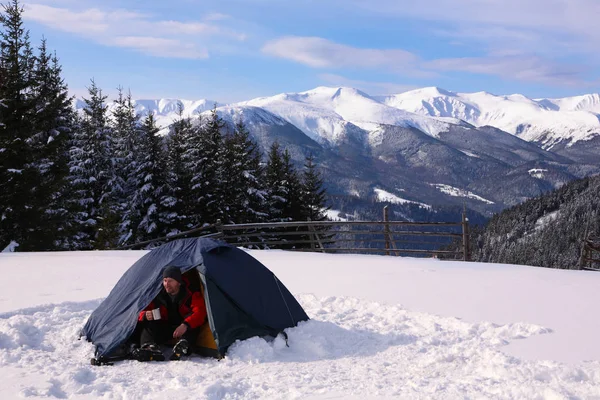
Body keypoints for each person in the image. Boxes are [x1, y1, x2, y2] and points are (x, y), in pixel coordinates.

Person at [132, 266, 207, 361]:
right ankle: (150, 347)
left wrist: (185, 325)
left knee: (193, 324)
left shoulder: (191, 292)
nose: (167, 284)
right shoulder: (158, 293)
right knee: (148, 324)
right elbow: (139, 311)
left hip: (183, 327)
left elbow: (200, 312)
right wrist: (145, 314)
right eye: (165, 280)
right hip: (166, 326)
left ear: (179, 282)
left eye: (170, 281)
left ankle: (183, 345)